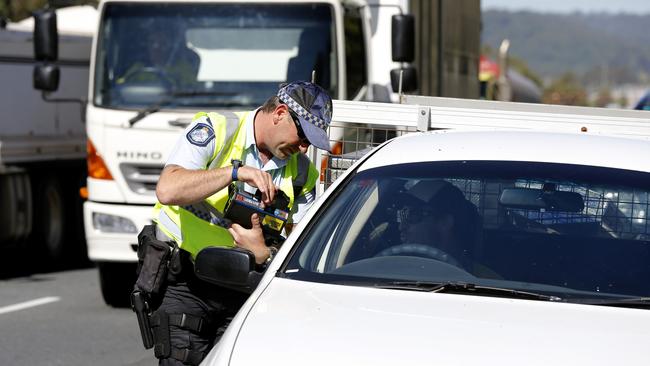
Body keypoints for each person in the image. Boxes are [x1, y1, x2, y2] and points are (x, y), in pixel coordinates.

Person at [138, 81, 332, 365]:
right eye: (303, 136)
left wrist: (264, 254)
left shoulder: (304, 175)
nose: (303, 148)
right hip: (185, 283)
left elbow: (306, 252)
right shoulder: (218, 129)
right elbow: (167, 190)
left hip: (245, 293)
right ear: (279, 113)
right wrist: (235, 173)